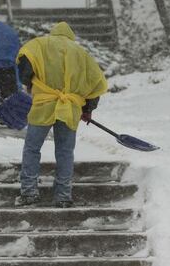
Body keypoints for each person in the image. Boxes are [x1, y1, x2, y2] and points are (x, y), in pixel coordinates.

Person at [15, 22, 108, 208]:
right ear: (70, 36)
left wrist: (29, 81)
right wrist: (87, 109)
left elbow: (24, 63)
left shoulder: (39, 44)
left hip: (43, 104)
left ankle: (29, 192)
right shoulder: (81, 53)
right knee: (65, 152)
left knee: (32, 149)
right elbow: (96, 84)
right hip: (69, 108)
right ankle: (63, 195)